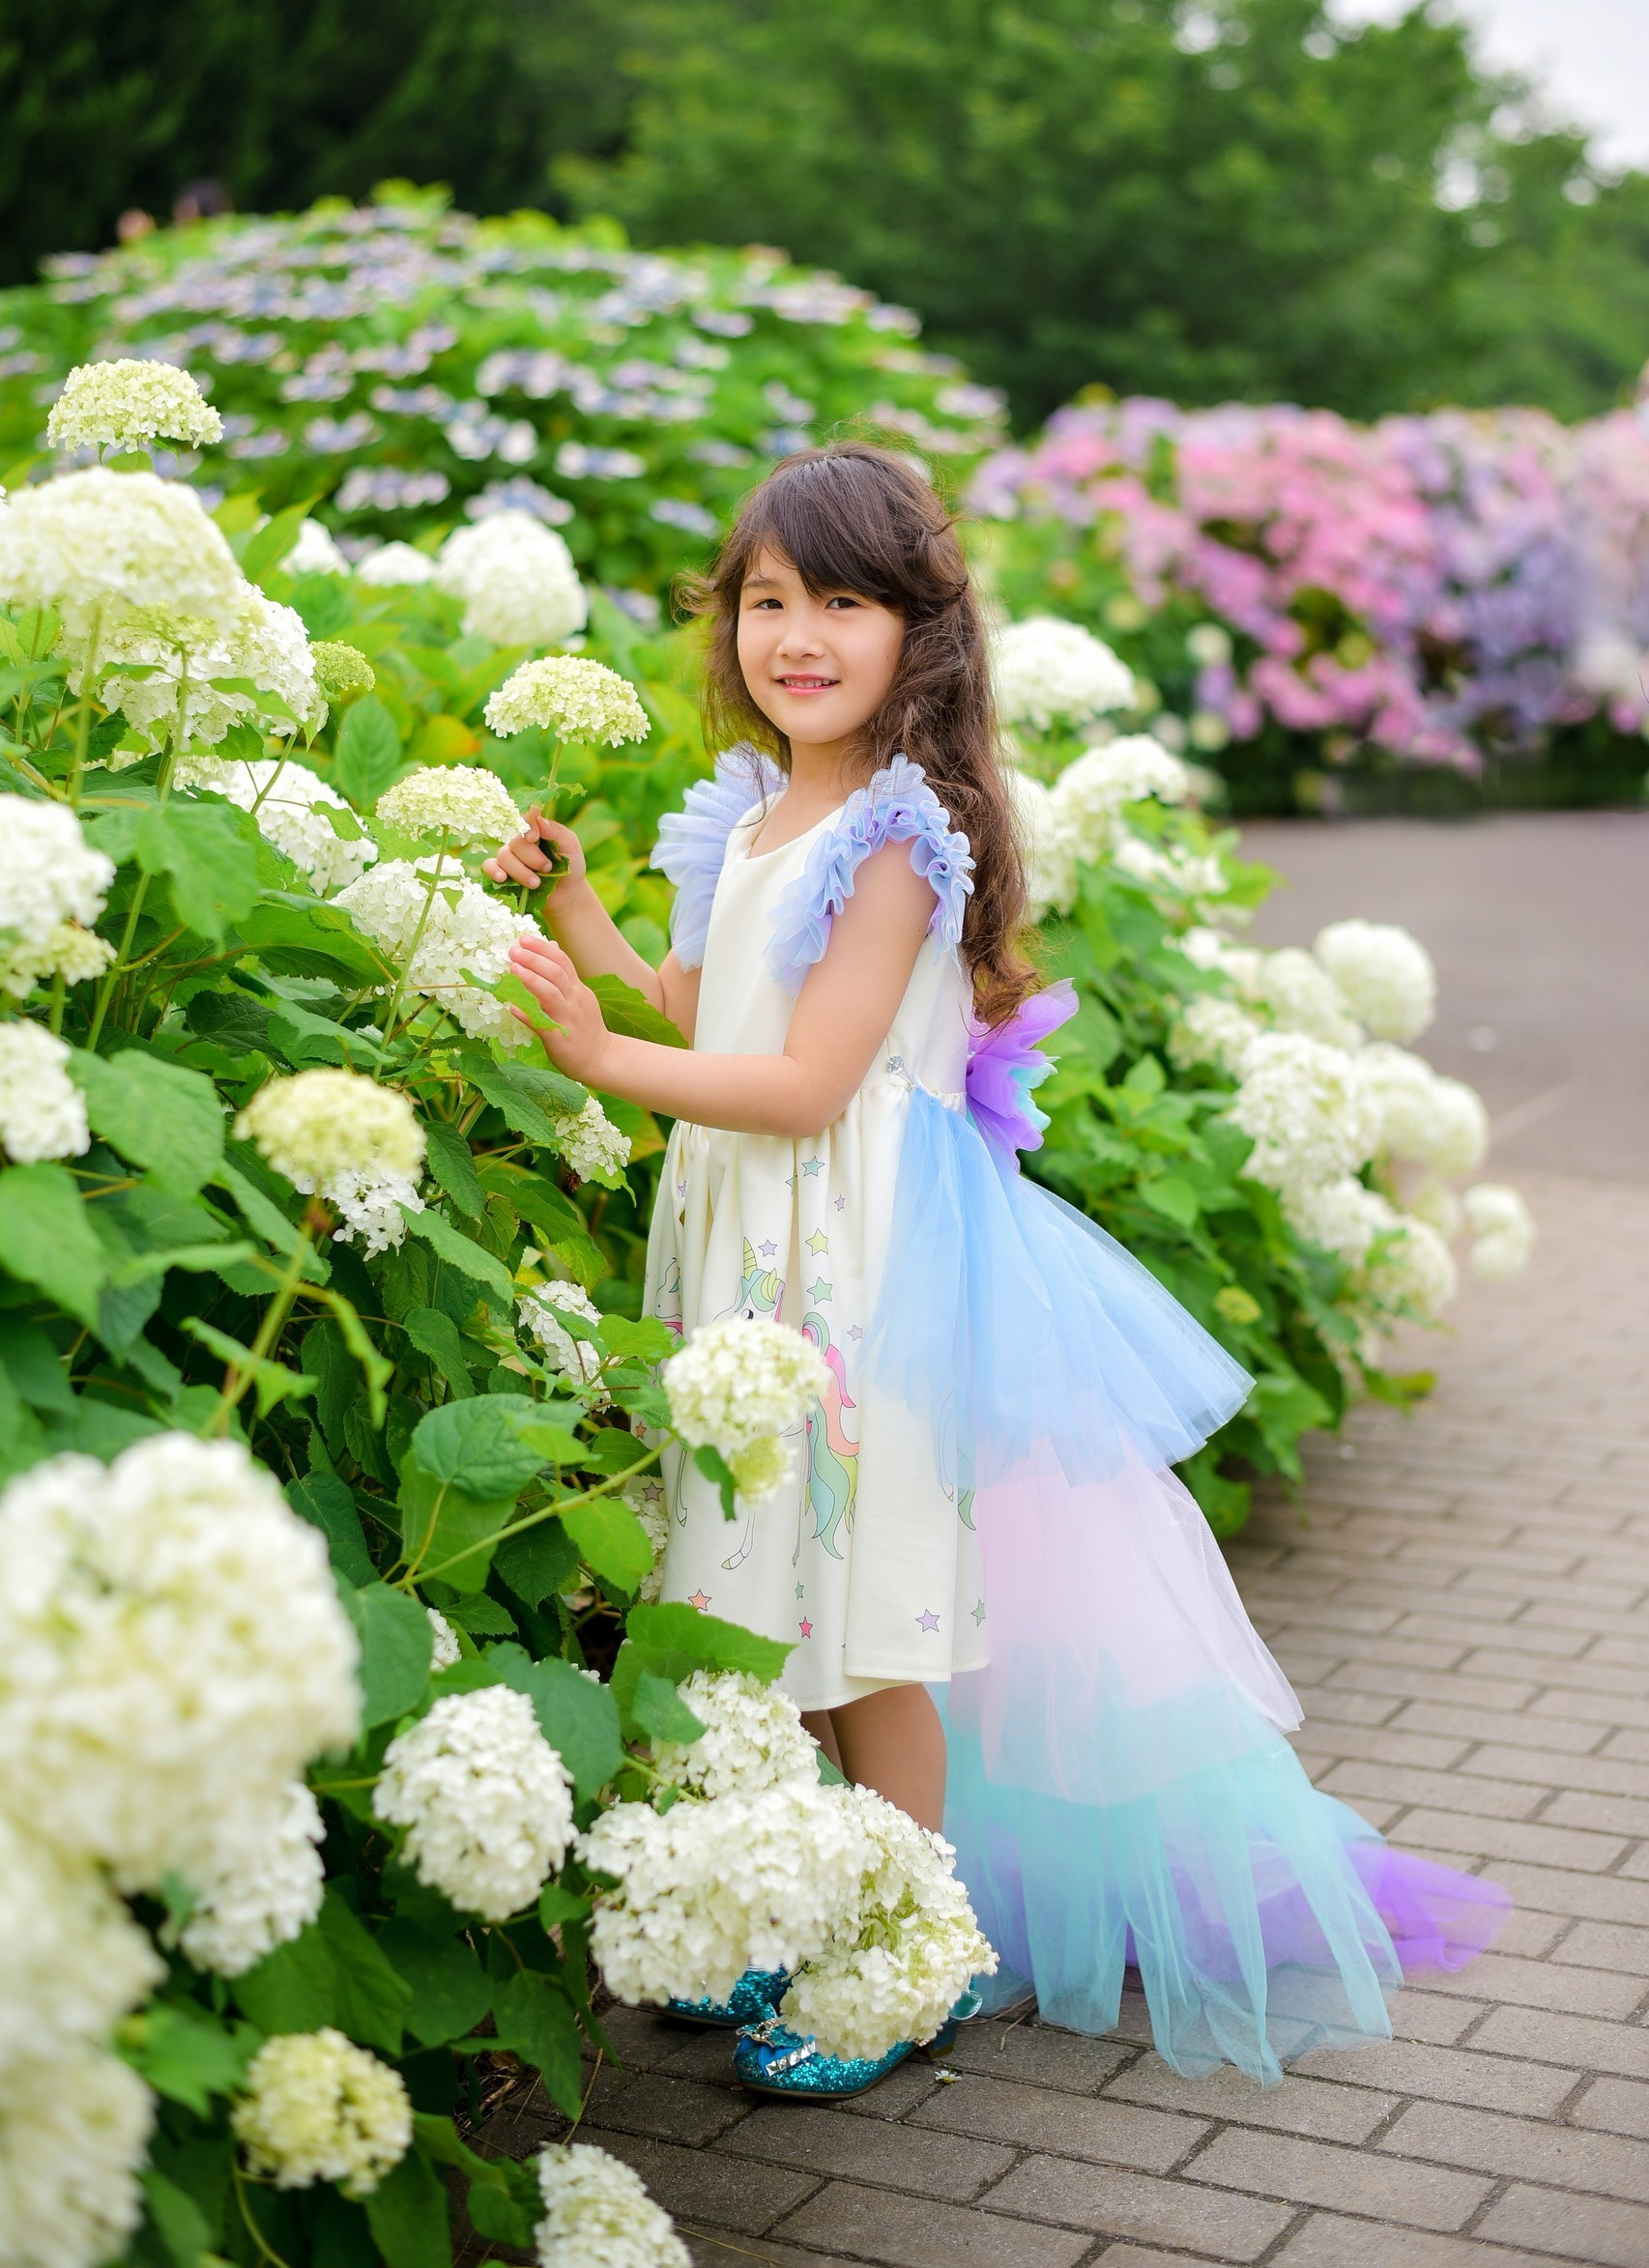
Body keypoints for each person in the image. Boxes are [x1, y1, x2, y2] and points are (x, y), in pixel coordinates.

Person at [490, 443, 1507, 2096]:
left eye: (841, 601)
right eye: (765, 600)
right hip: (745, 1240)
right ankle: (800, 1898)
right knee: (756, 1601)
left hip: (854, 1261)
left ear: (918, 636)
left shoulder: (899, 837)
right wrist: (591, 926)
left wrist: (594, 1063)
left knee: (860, 1619)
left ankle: (910, 1949)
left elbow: (809, 1081)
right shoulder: (751, 817)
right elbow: (705, 1020)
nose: (794, 635)